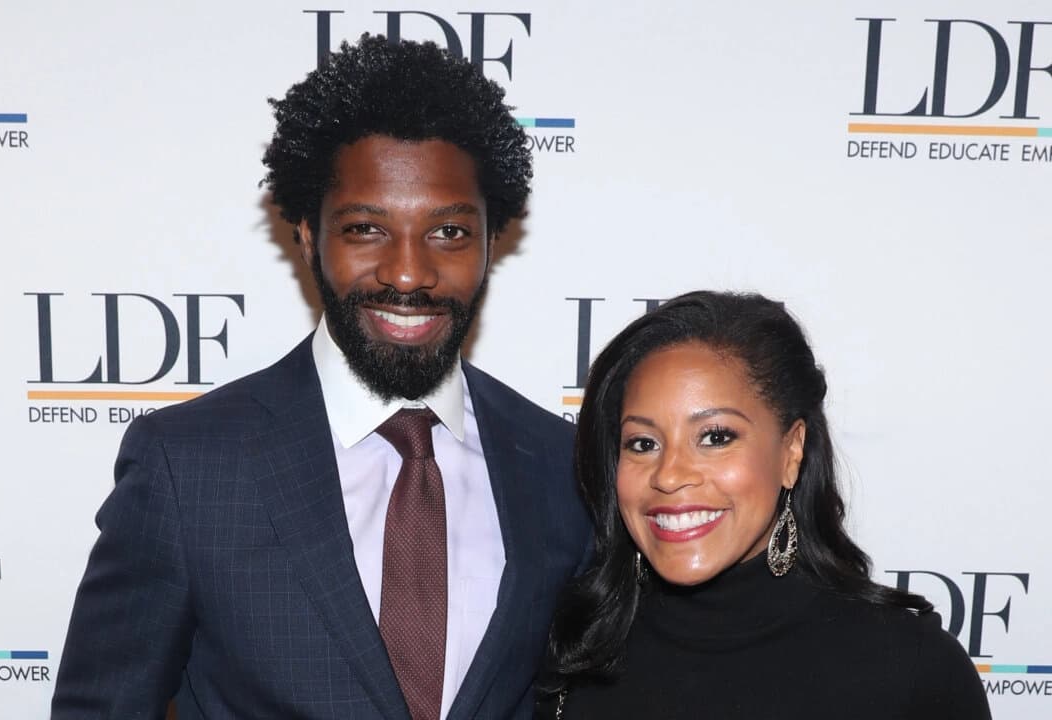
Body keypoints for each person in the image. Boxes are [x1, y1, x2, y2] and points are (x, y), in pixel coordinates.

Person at [52, 35, 590, 720]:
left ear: (492, 239)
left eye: (448, 232)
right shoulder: (189, 469)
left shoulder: (555, 464)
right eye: (366, 228)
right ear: (307, 232)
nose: (407, 272)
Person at [539, 291, 990, 719]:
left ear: (791, 452)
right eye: (642, 443)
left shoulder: (912, 670)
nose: (670, 475)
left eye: (716, 437)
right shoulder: (573, 655)